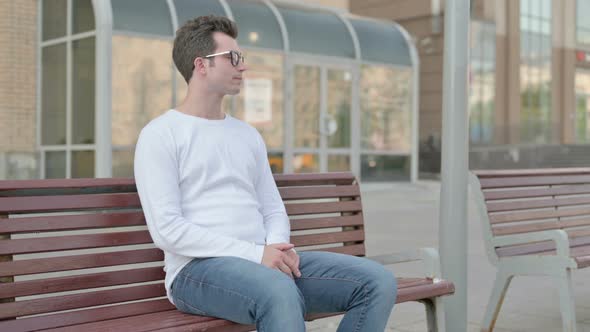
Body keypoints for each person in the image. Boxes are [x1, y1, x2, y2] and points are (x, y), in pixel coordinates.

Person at [134, 15, 396, 331]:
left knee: (376, 281)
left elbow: (272, 208)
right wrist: (257, 254)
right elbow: (167, 230)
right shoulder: (161, 134)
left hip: (263, 262)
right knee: (278, 292)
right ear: (201, 65)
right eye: (233, 58)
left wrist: (276, 249)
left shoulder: (247, 135)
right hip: (196, 272)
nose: (242, 66)